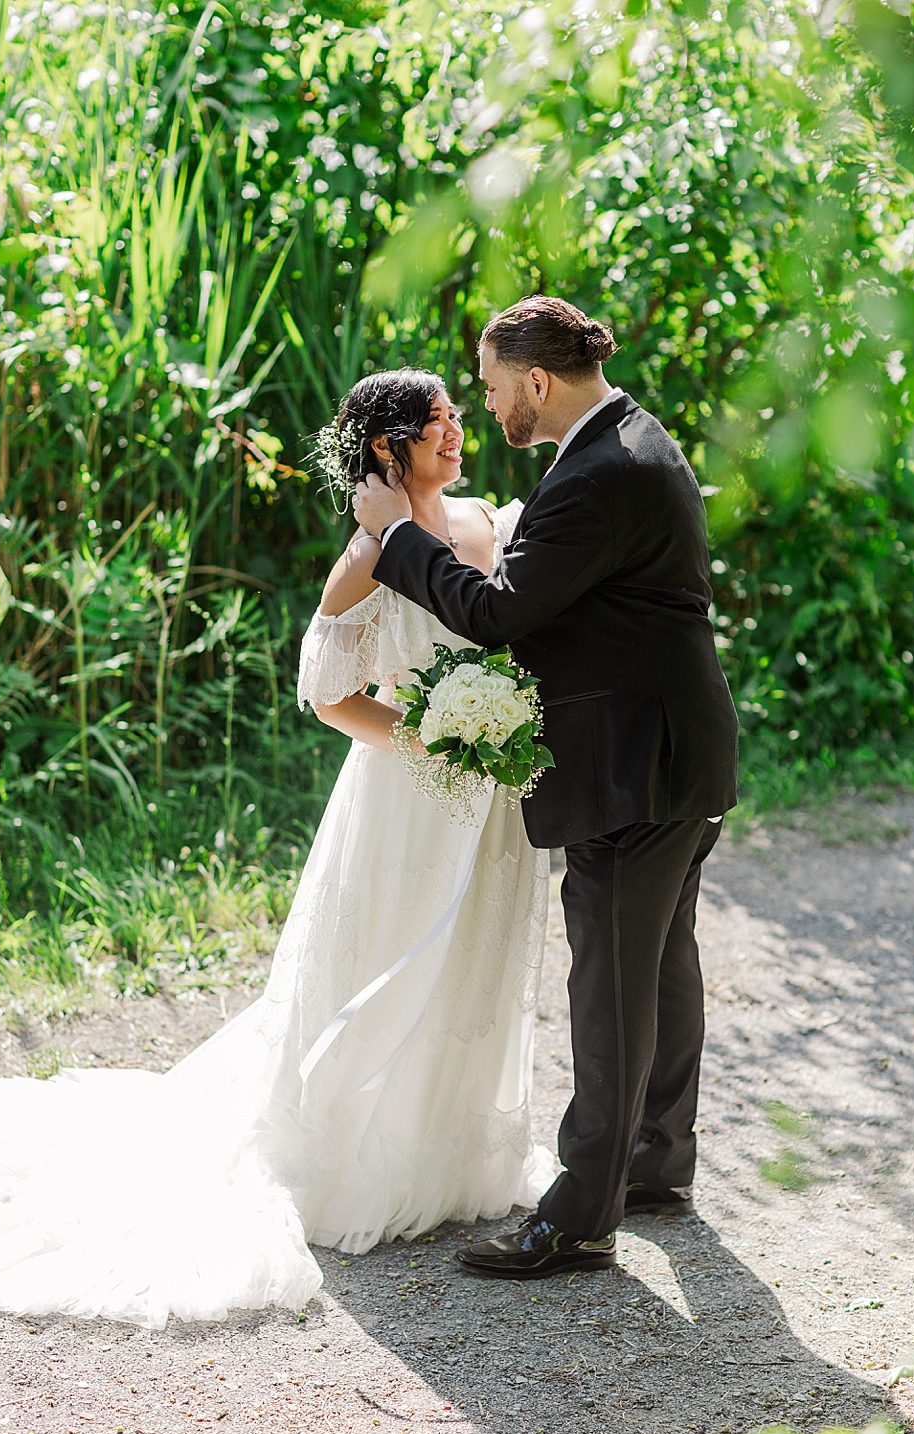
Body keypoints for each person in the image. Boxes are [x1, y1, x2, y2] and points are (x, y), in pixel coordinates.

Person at [0, 370, 553, 1330]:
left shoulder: (493, 521)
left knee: (474, 960)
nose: (456, 430)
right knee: (385, 959)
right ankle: (358, 1154)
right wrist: (430, 734)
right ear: (386, 451)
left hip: (491, 802)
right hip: (408, 796)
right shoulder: (367, 556)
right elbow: (326, 693)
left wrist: (503, 728)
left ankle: (455, 1151)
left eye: (454, 414)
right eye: (437, 420)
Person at [353, 295, 739, 1280]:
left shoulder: (596, 473)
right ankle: (650, 1165)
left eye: (488, 389)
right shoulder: (626, 438)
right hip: (670, 753)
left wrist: (399, 537)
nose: (483, 408)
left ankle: (577, 1218)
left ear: (535, 380)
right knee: (655, 970)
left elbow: (495, 616)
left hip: (631, 764)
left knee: (610, 983)